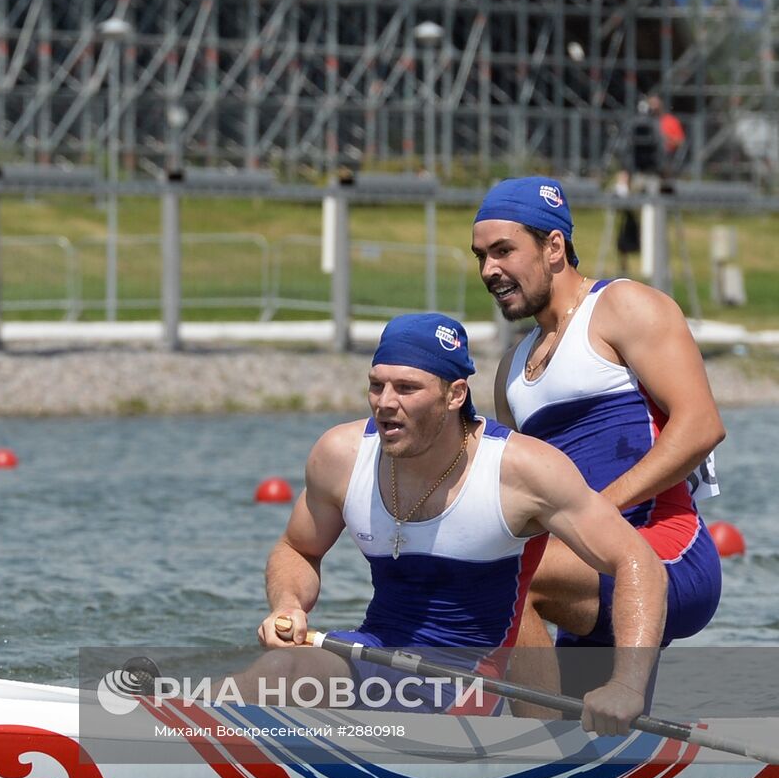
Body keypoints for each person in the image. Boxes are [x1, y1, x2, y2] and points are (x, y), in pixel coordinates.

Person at [235, 313, 666, 735]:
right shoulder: (340, 456)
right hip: (373, 653)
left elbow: (637, 562)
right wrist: (289, 605)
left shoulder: (522, 470)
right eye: (376, 385)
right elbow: (298, 548)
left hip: (466, 684)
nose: (385, 403)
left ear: (455, 394)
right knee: (283, 668)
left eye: (406, 388)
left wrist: (625, 685)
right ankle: (177, 727)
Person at [472, 177, 724, 714]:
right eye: (481, 256)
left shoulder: (623, 306)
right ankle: (551, 767)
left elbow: (701, 426)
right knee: (594, 732)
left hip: (666, 551)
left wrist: (592, 514)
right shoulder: (510, 373)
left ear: (554, 247)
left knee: (513, 575)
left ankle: (530, 755)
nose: (489, 270)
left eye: (503, 251)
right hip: (585, 565)